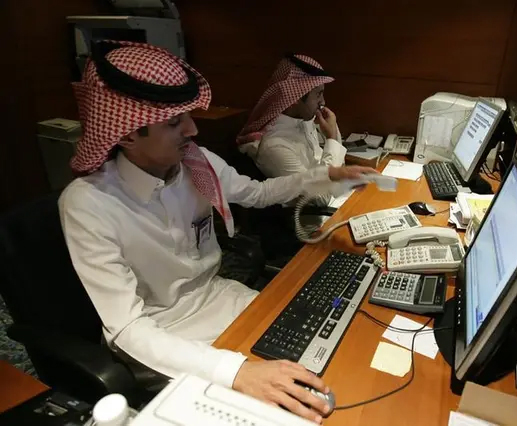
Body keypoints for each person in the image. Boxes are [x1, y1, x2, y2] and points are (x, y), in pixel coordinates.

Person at [59, 40, 374, 424]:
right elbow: (127, 327)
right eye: (174, 122)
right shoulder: (88, 204)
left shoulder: (196, 162)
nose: (192, 129)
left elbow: (258, 194)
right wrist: (236, 372)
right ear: (126, 134)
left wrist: (325, 176)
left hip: (221, 297)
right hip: (161, 338)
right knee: (283, 410)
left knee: (329, 354)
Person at [237, 54, 346, 205]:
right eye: (318, 94)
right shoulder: (274, 146)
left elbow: (340, 166)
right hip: (313, 214)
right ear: (295, 97)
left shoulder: (305, 119)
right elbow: (320, 198)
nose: (323, 102)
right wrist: (332, 138)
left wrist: (333, 134)